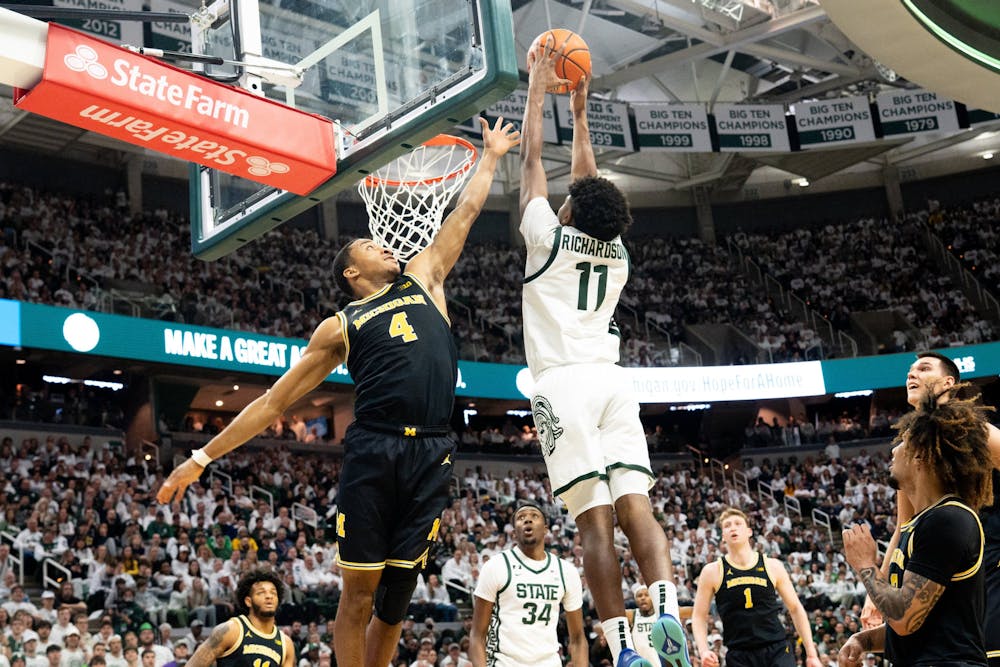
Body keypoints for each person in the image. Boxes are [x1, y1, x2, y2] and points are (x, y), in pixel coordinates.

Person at [157, 117, 520, 667]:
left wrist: (491, 155)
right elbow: (273, 403)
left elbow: (464, 213)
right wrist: (201, 457)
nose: (386, 245)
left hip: (432, 449)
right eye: (372, 245)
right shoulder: (341, 325)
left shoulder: (425, 278)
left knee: (395, 605)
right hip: (374, 448)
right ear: (352, 272)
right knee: (357, 596)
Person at [518, 36, 688, 667]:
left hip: (562, 385)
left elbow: (533, 158)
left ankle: (624, 647)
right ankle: (666, 609)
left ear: (571, 210)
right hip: (614, 383)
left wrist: (539, 89)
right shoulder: (616, 253)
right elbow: (587, 183)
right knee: (635, 505)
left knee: (594, 523)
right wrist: (583, 114)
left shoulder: (546, 239)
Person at [859, 352, 1000, 667]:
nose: (912, 374)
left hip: (986, 566)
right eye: (909, 370)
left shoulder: (972, 428)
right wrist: (877, 589)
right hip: (941, 571)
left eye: (923, 368)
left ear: (949, 382)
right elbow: (903, 527)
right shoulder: (909, 444)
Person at [691, 508, 822, 667]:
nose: (733, 527)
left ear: (749, 532)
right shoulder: (712, 571)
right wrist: (704, 651)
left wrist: (811, 654)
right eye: (727, 525)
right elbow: (698, 616)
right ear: (723, 536)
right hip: (740, 653)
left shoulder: (772, 566)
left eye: (738, 523)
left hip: (776, 649)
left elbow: (795, 608)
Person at [468, 500, 587, 667]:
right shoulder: (496, 566)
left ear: (546, 529)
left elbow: (577, 638)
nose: (527, 519)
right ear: (514, 533)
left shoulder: (566, 571)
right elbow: (477, 636)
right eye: (521, 517)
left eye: (534, 516)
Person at [183, 569, 293, 667]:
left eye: (273, 593)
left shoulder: (286, 643)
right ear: (248, 601)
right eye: (261, 593)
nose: (269, 596)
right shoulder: (230, 630)